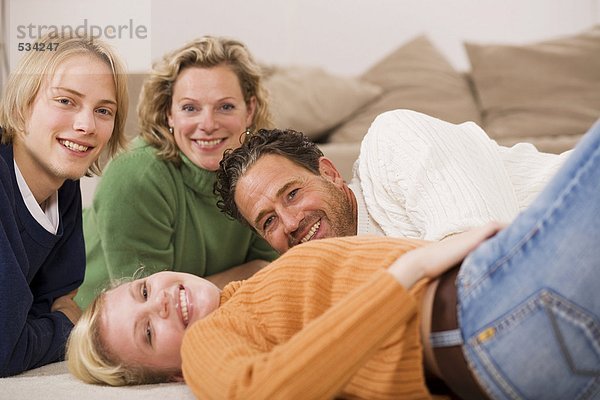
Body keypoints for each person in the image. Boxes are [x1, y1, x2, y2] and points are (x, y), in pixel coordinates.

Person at [66, 118, 599, 399]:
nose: (159, 304)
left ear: (331, 172)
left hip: (506, 320)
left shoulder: (260, 293)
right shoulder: (210, 341)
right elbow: (260, 391)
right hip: (479, 323)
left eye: (142, 291)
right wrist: (406, 274)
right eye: (148, 334)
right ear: (168, 377)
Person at [75, 36, 278, 309]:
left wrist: (191, 292)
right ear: (169, 113)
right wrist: (248, 273)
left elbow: (275, 272)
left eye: (225, 106)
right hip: (92, 327)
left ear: (249, 110)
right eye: (190, 108)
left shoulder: (261, 171)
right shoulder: (136, 175)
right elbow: (159, 309)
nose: (207, 124)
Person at [215, 109, 571, 254]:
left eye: (292, 193)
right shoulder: (331, 283)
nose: (291, 223)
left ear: (330, 173)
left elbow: (483, 256)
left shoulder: (392, 139)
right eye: (269, 221)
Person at [0, 34, 128, 377]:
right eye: (65, 101)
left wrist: (44, 321)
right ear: (20, 106)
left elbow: (58, 299)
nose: (86, 125)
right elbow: (4, 349)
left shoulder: (64, 189)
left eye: (103, 110)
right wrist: (64, 327)